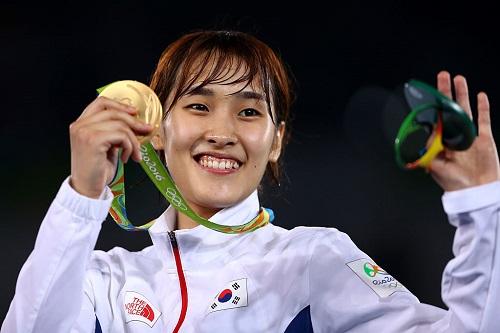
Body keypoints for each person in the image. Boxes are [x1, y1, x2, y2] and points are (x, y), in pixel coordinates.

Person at [2, 30, 499, 333]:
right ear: (155, 128)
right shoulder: (103, 281)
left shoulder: (312, 262)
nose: (221, 133)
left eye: (248, 111)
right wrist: (83, 196)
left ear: (276, 140)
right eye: (198, 106)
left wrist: (480, 207)